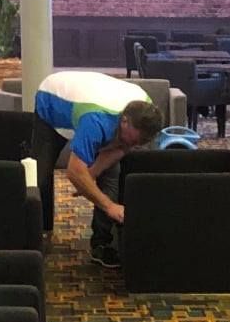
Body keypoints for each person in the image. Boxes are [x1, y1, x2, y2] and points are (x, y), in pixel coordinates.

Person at [31, 71, 164, 266]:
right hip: (51, 104)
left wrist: (92, 174)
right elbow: (74, 171)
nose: (136, 144)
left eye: (142, 142)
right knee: (39, 176)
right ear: (125, 121)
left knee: (111, 175)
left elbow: (122, 148)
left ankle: (101, 244)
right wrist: (109, 205)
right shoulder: (96, 121)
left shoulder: (145, 109)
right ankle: (38, 234)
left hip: (87, 104)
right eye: (135, 139)